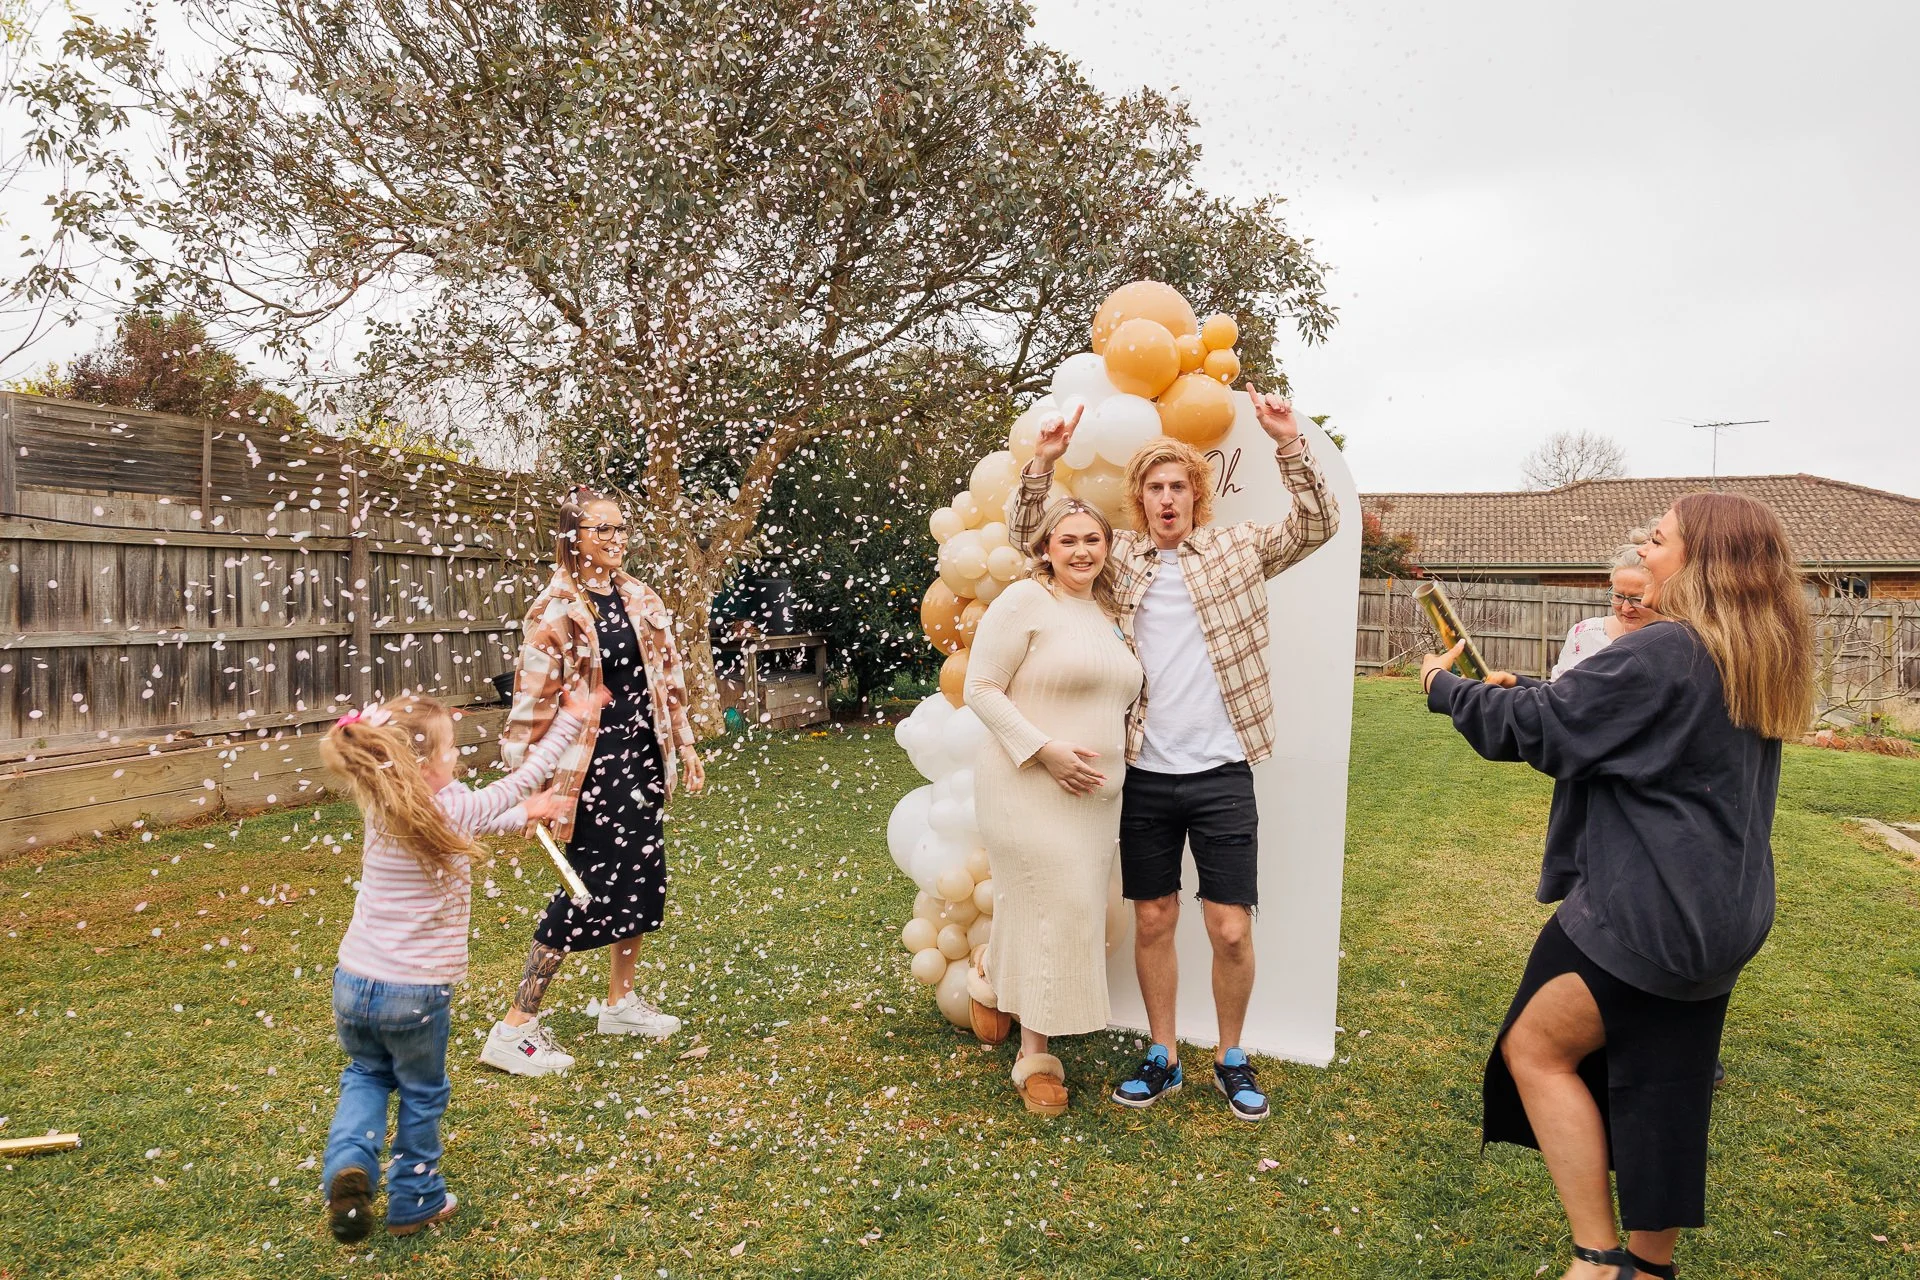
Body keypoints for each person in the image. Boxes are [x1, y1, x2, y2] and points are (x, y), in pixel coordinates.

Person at [1418, 492, 1813, 1280]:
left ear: (1700, 560)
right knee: (1671, 1086)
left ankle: (1597, 1259)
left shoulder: (1665, 649)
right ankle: (1649, 1269)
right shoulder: (1746, 648)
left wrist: (1447, 687)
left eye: (1659, 540)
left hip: (1646, 910)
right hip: (1721, 913)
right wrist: (1521, 686)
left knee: (1535, 1049)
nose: (1645, 550)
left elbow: (1546, 730)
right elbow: (1606, 720)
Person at [1009, 385, 1340, 1122]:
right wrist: (1045, 462)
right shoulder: (1115, 556)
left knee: (1230, 926)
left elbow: (1319, 522)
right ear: (1139, 499)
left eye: (1178, 487)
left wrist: (1290, 443)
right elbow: (1027, 536)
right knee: (1154, 919)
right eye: (1154, 488)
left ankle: (1230, 1056)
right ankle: (1163, 1054)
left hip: (1223, 771)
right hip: (1143, 774)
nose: (1166, 499)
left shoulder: (1238, 547)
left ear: (1197, 495)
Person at [318, 686, 599, 1241]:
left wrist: (526, 811)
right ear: (423, 766)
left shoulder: (382, 802)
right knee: (422, 1093)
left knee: (366, 1075)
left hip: (354, 982)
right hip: (414, 994)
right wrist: (571, 719)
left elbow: (465, 820)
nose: (458, 761)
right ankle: (416, 1198)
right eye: (450, 753)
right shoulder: (447, 804)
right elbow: (517, 781)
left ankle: (348, 1165)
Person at [480, 486, 705, 1078]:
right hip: (589, 769)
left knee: (641, 878)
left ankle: (619, 1003)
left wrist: (683, 744)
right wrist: (526, 784)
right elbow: (530, 704)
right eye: (601, 529)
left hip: (642, 759)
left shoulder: (641, 597)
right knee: (587, 889)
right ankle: (514, 1027)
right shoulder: (553, 611)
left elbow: (667, 682)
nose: (615, 538)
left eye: (621, 528)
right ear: (572, 538)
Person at [964, 499, 1144, 1114]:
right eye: (1067, 541)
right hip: (1028, 782)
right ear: (1045, 548)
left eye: (1093, 539)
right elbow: (979, 687)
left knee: (1058, 908)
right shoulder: (1024, 603)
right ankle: (1035, 1058)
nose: (1081, 551)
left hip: (1096, 797)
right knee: (1056, 905)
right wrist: (1045, 751)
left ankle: (989, 973)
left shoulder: (1109, 613)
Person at [1550, 542, 1657, 678]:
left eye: (1637, 599)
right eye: (1618, 596)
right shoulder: (1584, 635)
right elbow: (1558, 691)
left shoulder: (1677, 642)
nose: (1625, 608)